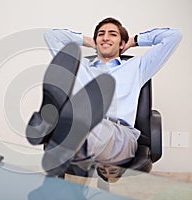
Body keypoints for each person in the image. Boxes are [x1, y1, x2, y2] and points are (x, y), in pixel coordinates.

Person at [41, 17, 182, 168]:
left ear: (122, 43)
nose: (106, 37)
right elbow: (51, 36)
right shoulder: (79, 66)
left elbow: (174, 35)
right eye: (101, 34)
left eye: (113, 34)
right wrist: (91, 41)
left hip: (120, 136)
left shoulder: (138, 66)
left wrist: (134, 40)